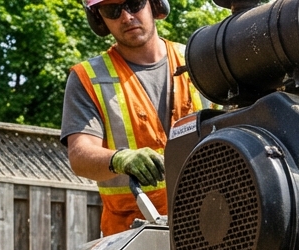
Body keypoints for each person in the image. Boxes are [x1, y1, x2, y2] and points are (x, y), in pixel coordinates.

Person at [61, 0, 203, 236]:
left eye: (134, 3)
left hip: (208, 223)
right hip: (133, 238)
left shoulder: (198, 60)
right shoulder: (88, 78)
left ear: (155, 4)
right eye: (112, 10)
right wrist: (119, 159)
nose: (126, 17)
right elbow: (79, 155)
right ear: (98, 19)